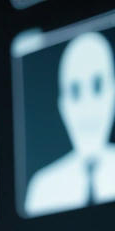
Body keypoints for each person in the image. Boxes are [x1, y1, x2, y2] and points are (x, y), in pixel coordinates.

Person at [25, 32, 115, 215]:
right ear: (63, 105)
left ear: (112, 92)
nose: (87, 105)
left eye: (97, 86)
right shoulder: (42, 189)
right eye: (75, 91)